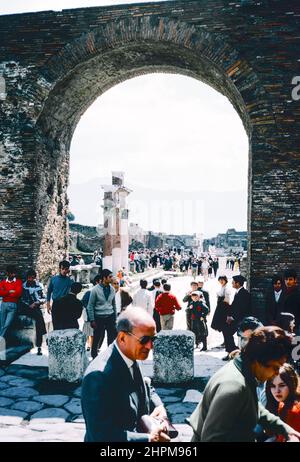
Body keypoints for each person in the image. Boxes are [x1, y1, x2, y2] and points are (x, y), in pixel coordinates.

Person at [189, 326, 300, 442]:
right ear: (258, 361)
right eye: (275, 367)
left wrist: (286, 429)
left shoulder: (244, 372)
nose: (276, 373)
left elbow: (253, 406)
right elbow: (212, 438)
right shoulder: (233, 387)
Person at [81, 307, 170, 442]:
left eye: (154, 339)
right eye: (145, 339)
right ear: (122, 337)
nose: (150, 346)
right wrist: (149, 439)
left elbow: (146, 386)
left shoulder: (131, 354)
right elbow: (99, 435)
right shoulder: (97, 376)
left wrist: (158, 406)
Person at [86, 269, 117, 359]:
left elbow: (113, 304)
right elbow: (90, 306)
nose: (112, 278)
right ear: (104, 278)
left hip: (110, 316)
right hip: (99, 317)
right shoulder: (95, 290)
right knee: (97, 336)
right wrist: (92, 319)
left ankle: (110, 354)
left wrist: (115, 317)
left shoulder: (112, 289)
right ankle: (94, 354)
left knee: (111, 337)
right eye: (110, 277)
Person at [266, 363, 300, 442]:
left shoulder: (295, 411)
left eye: (282, 385)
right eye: (273, 386)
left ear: (291, 384)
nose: (277, 391)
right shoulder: (281, 404)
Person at [222, 275, 251, 360]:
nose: (232, 283)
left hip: (242, 320)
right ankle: (231, 351)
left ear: (238, 283)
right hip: (237, 319)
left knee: (227, 331)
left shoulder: (244, 294)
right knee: (225, 329)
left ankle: (233, 351)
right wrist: (229, 315)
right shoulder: (238, 292)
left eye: (233, 282)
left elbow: (243, 309)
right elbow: (235, 307)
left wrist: (232, 318)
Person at [19, 269, 47, 355]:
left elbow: (44, 298)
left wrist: (38, 302)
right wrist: (29, 305)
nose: (31, 279)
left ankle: (39, 346)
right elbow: (21, 299)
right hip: (26, 308)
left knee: (39, 321)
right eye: (29, 278)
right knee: (39, 318)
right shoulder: (23, 286)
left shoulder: (39, 286)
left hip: (36, 307)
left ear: (35, 277)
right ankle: (46, 336)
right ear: (27, 278)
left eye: (33, 278)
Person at [0, 265, 23, 339]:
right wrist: (10, 291)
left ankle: (1, 338)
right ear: (7, 273)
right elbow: (0, 293)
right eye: (11, 273)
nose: (13, 275)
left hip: (13, 305)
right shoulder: (3, 282)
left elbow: (18, 293)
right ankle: (2, 340)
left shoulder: (18, 282)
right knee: (2, 324)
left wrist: (6, 292)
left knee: (7, 324)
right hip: (3, 305)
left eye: (14, 273)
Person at [82, 275, 101, 351]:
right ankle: (90, 345)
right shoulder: (89, 292)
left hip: (98, 317)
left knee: (94, 334)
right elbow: (84, 303)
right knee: (88, 334)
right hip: (90, 317)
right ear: (96, 282)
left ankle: (93, 346)